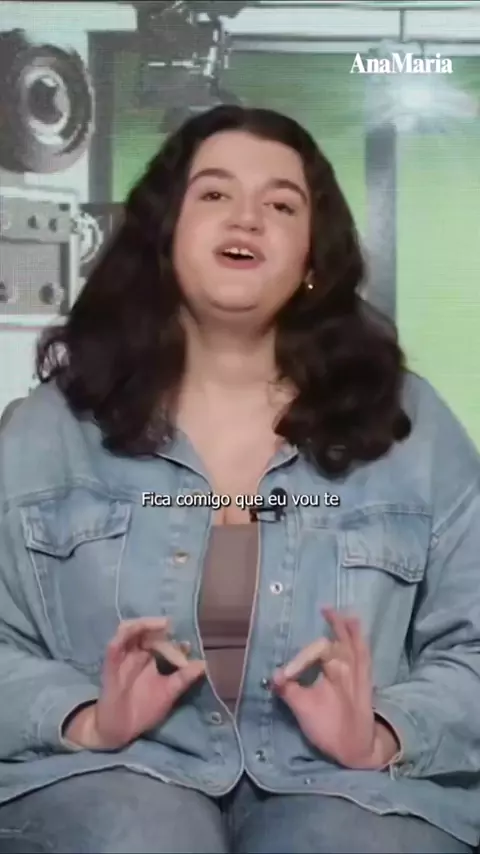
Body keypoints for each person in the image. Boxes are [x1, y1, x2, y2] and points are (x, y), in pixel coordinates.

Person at [0, 104, 479, 854]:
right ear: (165, 236)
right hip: (109, 776)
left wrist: (384, 731)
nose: (247, 217)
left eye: (281, 205)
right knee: (145, 835)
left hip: (347, 786)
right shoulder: (49, 428)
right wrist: (85, 718)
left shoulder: (412, 426)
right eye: (216, 193)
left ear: (313, 257)